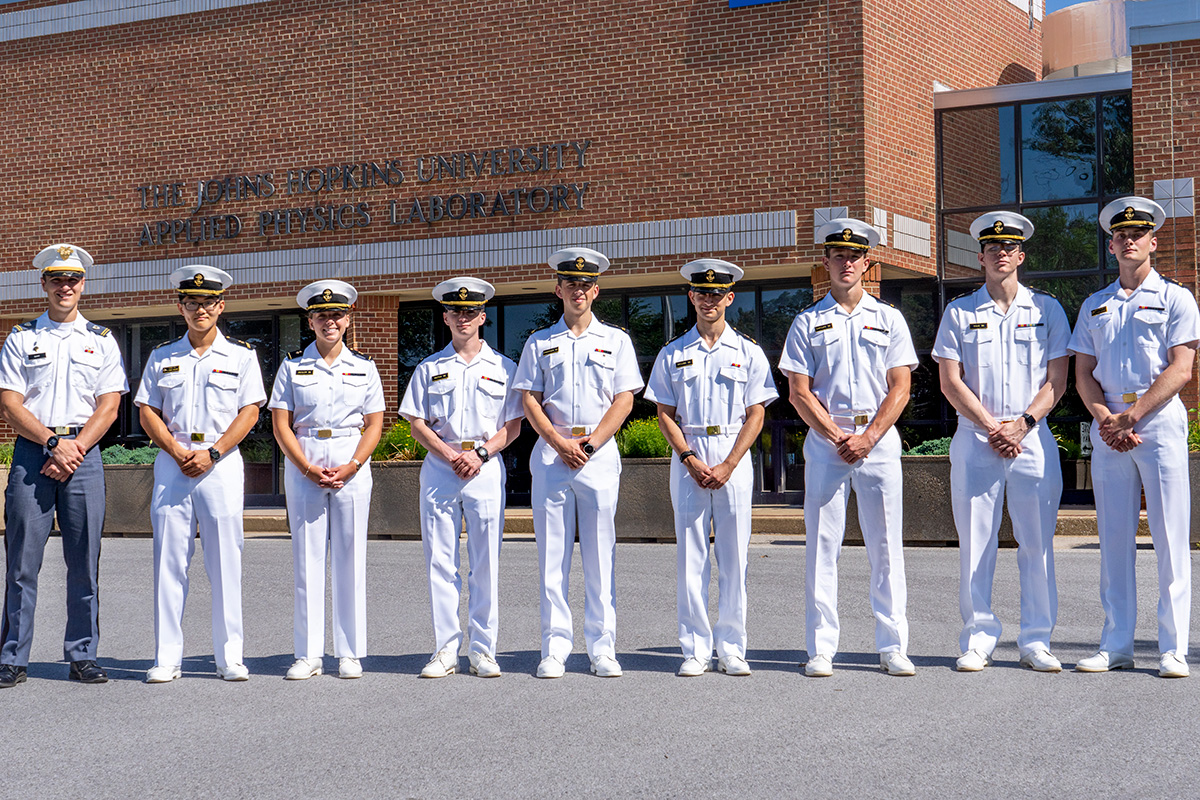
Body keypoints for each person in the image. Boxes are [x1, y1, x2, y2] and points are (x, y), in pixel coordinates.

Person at [779, 218, 917, 677]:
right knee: (822, 547)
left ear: (867, 264)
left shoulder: (889, 318)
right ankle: (821, 648)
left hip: (877, 443)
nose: (846, 263)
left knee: (885, 546)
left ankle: (893, 645)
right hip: (827, 445)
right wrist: (839, 437)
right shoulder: (807, 321)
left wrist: (869, 437)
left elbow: (900, 387)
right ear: (826, 262)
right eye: (837, 255)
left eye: (854, 256)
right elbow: (799, 391)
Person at [932, 212, 1069, 673]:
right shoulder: (959, 312)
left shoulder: (1046, 309)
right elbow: (950, 381)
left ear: (1021, 255)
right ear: (981, 257)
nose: (1001, 253)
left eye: (1009, 247)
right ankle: (977, 639)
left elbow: (1058, 380)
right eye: (993, 247)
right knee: (976, 544)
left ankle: (1036, 639)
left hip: (1031, 438)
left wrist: (1023, 423)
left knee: (1037, 544)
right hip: (977, 439)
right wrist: (994, 425)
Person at [1068, 196, 1199, 679]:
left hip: (1157, 421)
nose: (1128, 240)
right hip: (1109, 425)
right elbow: (1083, 373)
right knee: (1114, 538)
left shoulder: (1176, 298)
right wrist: (1106, 416)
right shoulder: (1094, 304)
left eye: (1137, 234)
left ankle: (1172, 649)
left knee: (1169, 537)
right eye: (1120, 235)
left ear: (1153, 242)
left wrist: (1133, 416)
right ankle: (1116, 642)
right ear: (1111, 244)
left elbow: (1181, 368)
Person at [0, 244, 126, 688]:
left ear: (82, 285)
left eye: (72, 279)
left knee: (83, 561)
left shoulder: (102, 340)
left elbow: (109, 406)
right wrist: (54, 443)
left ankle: (83, 654)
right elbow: (10, 403)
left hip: (85, 455)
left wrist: (74, 448)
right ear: (44, 284)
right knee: (21, 562)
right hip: (35, 453)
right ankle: (13, 657)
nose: (65, 286)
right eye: (57, 279)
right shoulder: (21, 337)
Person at [513, 247, 643, 678]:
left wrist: (590, 445)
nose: (578, 291)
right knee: (553, 558)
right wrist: (556, 440)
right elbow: (529, 398)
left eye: (585, 285)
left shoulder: (616, 341)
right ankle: (554, 649)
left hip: (599, 455)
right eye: (571, 284)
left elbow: (624, 399)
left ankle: (602, 648)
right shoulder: (539, 342)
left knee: (600, 555)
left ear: (596, 291)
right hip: (552, 454)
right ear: (558, 289)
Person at [645, 259, 777, 677]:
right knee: (692, 556)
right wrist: (688, 458)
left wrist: (730, 462)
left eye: (716, 294)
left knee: (735, 556)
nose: (709, 300)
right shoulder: (673, 352)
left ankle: (733, 647)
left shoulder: (748, 351)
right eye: (702, 293)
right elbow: (666, 413)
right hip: (690, 452)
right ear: (691, 297)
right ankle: (695, 648)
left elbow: (756, 413)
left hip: (732, 451)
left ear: (729, 298)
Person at [135, 265, 265, 683]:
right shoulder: (162, 355)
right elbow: (147, 411)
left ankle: (230, 656)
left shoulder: (241, 356)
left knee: (226, 561)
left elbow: (250, 412)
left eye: (208, 302)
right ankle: (167, 658)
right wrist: (174, 449)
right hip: (173, 464)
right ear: (181, 307)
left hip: (220, 464)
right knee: (169, 563)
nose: (200, 309)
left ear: (221, 306)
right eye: (192, 303)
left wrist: (213, 451)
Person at [399, 278, 523, 679]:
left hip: (485, 467)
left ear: (483, 316)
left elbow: (514, 425)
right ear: (445, 317)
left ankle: (483, 651)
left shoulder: (505, 368)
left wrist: (481, 453)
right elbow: (416, 424)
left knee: (485, 562)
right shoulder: (429, 367)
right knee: (440, 562)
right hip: (441, 466)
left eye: (471, 311)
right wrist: (452, 454)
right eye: (456, 311)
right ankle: (446, 650)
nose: (463, 317)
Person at [272, 280, 384, 680]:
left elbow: (374, 424)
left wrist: (353, 464)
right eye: (321, 315)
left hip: (351, 461)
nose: (329, 321)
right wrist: (304, 467)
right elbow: (281, 424)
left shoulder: (365, 366)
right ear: (310, 320)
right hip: (305, 462)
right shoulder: (291, 366)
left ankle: (349, 652)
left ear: (348, 319)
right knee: (307, 561)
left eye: (336, 314)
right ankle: (308, 654)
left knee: (351, 559)